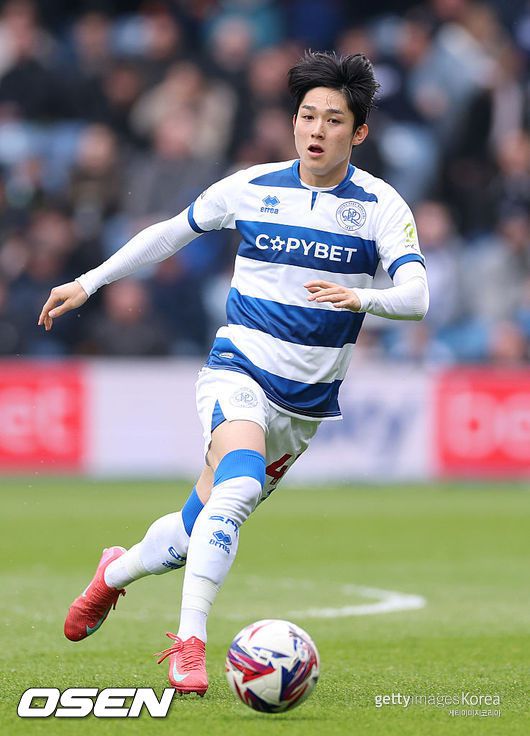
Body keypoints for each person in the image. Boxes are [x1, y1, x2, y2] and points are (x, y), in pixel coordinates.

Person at [38, 51, 429, 696]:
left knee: (195, 528)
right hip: (238, 370)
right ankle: (189, 644)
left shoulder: (381, 206)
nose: (316, 130)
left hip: (303, 409)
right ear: (293, 121)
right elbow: (171, 233)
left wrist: (361, 298)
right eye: (307, 115)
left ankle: (113, 574)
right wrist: (90, 281)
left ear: (358, 132)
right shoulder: (252, 187)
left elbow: (416, 297)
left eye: (334, 120)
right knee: (239, 486)